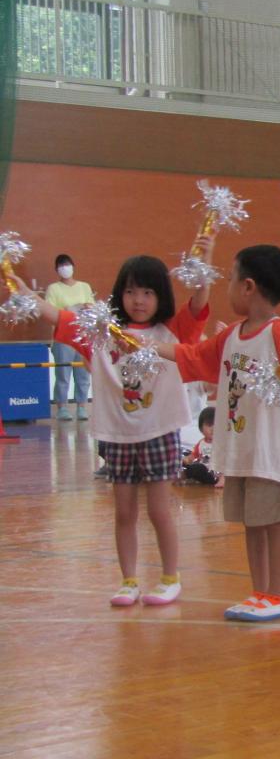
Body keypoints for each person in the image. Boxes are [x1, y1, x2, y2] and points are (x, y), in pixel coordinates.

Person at [12, 240, 215, 606]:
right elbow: (54, 315)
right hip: (117, 435)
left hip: (158, 430)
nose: (138, 299)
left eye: (148, 292)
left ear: (161, 297)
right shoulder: (99, 332)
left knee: (158, 510)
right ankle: (129, 580)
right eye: (131, 290)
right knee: (123, 511)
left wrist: (206, 255)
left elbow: (200, 301)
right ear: (119, 294)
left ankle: (170, 577)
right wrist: (19, 287)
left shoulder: (173, 330)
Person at [154, 245, 280, 622]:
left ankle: (278, 593)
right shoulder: (232, 337)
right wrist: (143, 345)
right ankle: (260, 592)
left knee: (273, 521)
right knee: (251, 522)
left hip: (268, 450)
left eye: (230, 279)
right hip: (241, 447)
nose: (225, 287)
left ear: (248, 287)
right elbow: (193, 357)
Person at [45, 254, 95, 420]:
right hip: (63, 336)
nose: (65, 268)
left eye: (67, 264)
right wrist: (68, 310)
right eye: (61, 265)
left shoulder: (84, 286)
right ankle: (62, 407)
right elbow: (50, 311)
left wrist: (87, 307)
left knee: (82, 374)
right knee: (63, 373)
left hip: (83, 335)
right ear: (57, 270)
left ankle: (81, 406)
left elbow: (92, 307)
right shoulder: (53, 288)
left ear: (73, 266)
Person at [182, 405, 222, 486]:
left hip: (214, 474)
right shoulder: (200, 443)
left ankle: (183, 476)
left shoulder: (221, 443)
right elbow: (193, 456)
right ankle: (183, 475)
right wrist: (186, 460)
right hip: (202, 471)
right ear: (201, 428)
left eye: (216, 425)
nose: (213, 429)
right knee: (188, 464)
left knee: (199, 468)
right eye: (209, 425)